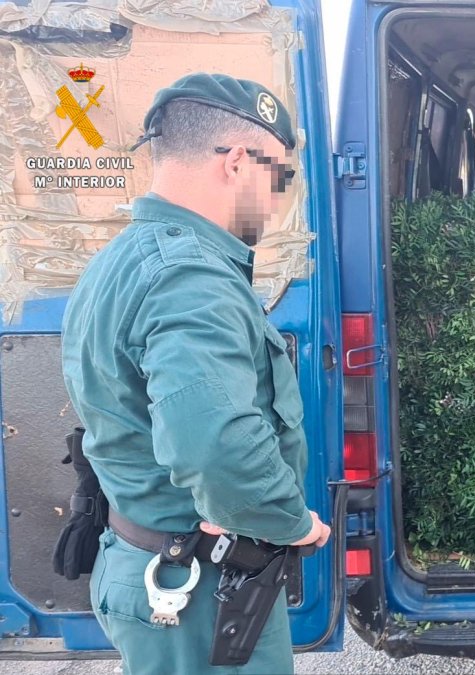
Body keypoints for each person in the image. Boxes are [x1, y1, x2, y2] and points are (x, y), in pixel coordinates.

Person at [60, 73, 331, 674]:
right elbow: (216, 445)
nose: (279, 199)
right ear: (237, 162)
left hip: (149, 559)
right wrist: (292, 522)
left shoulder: (123, 258)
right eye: (279, 177)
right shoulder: (193, 277)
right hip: (199, 590)